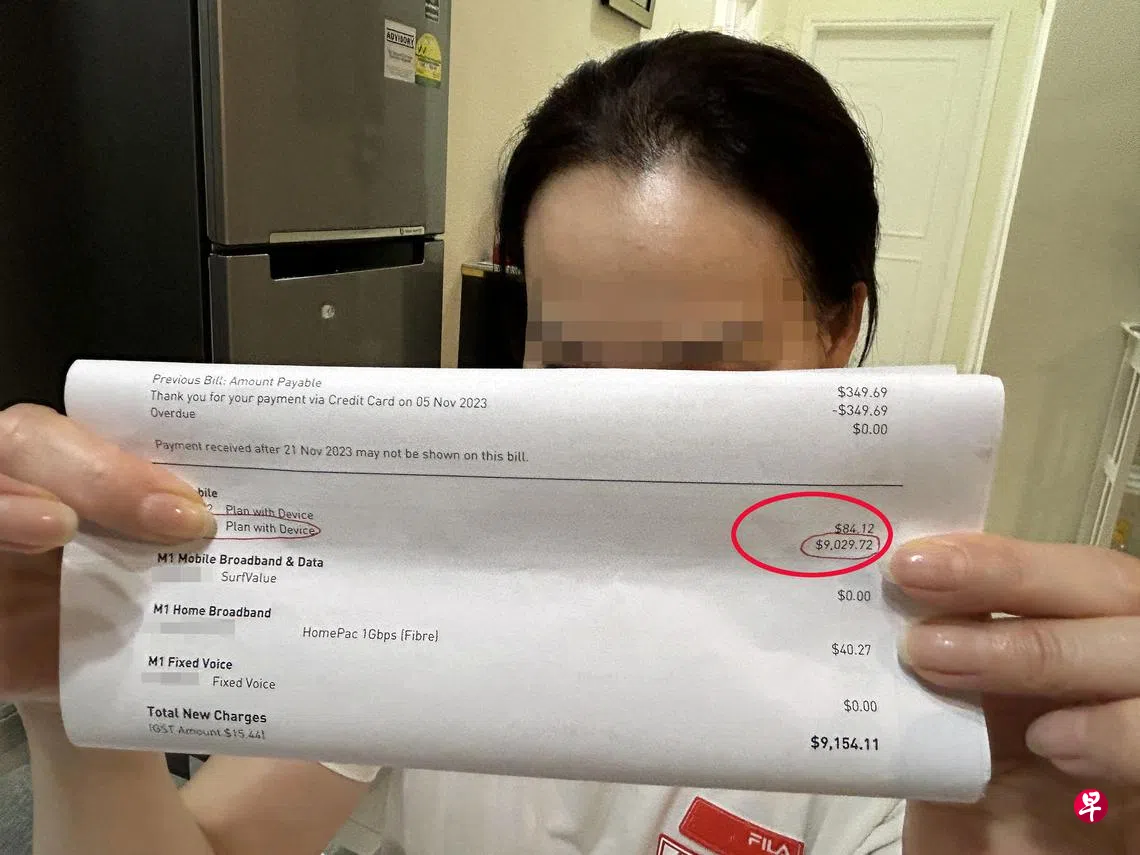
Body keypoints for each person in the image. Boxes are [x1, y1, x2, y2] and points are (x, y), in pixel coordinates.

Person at [2, 31, 1139, 855]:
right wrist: (68, 696)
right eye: (570, 362)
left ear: (841, 328)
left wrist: (1093, 812)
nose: (625, 441)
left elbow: (1074, 814)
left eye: (702, 372)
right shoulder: (423, 563)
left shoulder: (937, 669)